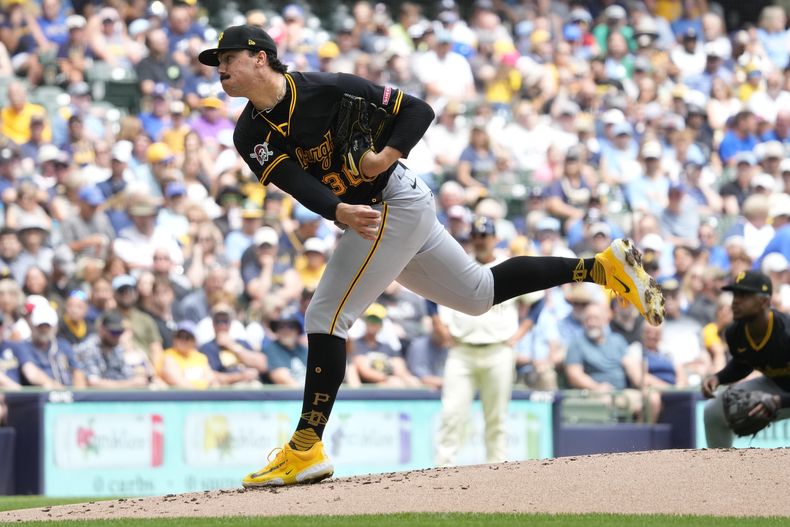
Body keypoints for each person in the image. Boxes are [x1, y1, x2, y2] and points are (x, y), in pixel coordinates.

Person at [198, 25, 664, 487]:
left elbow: (418, 109)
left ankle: (305, 448)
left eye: (228, 57)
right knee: (479, 294)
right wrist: (337, 208)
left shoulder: (328, 87)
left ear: (261, 57)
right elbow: (295, 183)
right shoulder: (248, 132)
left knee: (325, 316)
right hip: (375, 212)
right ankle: (601, 267)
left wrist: (384, 157)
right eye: (217, 62)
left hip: (392, 201)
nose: (220, 68)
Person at [435, 217, 531, 466]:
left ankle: (496, 470)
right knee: (452, 414)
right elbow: (430, 294)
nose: (480, 241)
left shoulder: (507, 266)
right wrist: (439, 325)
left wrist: (521, 332)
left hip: (498, 350)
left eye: (485, 236)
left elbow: (536, 301)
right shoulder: (460, 264)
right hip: (461, 351)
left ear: (495, 239)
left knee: (496, 417)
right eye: (476, 236)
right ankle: (442, 471)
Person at [702, 271, 790, 447]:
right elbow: (743, 363)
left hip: (781, 396)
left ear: (764, 301)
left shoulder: (786, 332)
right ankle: (719, 470)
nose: (735, 301)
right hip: (775, 386)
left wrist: (779, 401)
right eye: (735, 294)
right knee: (714, 411)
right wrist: (718, 378)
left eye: (744, 295)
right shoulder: (735, 332)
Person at [73, 311, 152, 388]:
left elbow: (127, 375)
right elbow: (93, 383)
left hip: (116, 396)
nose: (117, 336)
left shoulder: (117, 348)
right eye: (114, 332)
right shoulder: (88, 348)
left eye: (120, 332)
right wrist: (130, 384)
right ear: (102, 329)